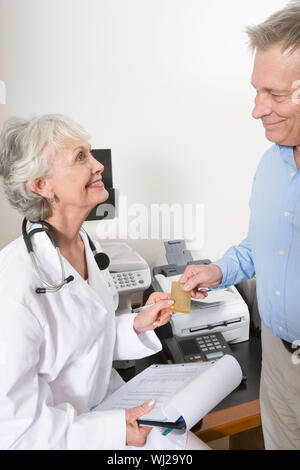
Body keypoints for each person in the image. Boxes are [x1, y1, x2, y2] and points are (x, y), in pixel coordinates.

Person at [0, 114, 209, 450]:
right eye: (80, 157)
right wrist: (113, 431)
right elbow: (15, 431)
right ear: (41, 185)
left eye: (91, 153)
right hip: (67, 437)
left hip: (110, 408)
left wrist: (136, 326)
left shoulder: (86, 243)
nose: (98, 165)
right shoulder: (13, 285)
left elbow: (86, 341)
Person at [180, 1, 300, 450]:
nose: (257, 110)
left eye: (275, 94)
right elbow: (262, 244)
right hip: (276, 353)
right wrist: (219, 270)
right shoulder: (271, 165)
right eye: (256, 91)